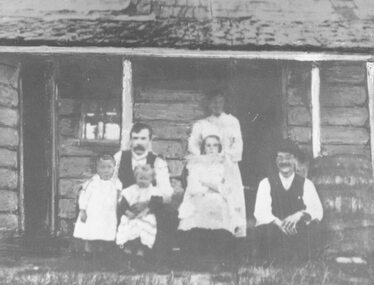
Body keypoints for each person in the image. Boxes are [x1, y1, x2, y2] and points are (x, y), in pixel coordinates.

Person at [114, 122, 176, 269]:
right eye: (135, 138)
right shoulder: (119, 157)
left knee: (169, 214)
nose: (139, 143)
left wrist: (147, 204)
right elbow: (112, 184)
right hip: (125, 203)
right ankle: (122, 258)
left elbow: (167, 192)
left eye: (143, 138)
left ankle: (158, 260)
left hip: (149, 204)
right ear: (130, 140)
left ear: (150, 140)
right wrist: (123, 204)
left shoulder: (157, 161)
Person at [188, 90, 246, 237]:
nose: (217, 105)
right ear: (209, 104)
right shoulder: (202, 124)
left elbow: (238, 144)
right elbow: (193, 144)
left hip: (228, 164)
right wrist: (202, 158)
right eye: (214, 102)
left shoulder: (233, 121)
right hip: (209, 164)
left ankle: (234, 230)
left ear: (224, 102)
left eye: (220, 102)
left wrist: (227, 157)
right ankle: (209, 230)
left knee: (231, 196)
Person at [253, 139, 323, 260]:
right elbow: (260, 212)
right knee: (265, 230)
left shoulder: (306, 184)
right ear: (276, 161)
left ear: (295, 160)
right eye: (280, 158)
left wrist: (299, 214)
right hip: (275, 232)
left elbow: (317, 211)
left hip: (296, 232)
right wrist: (279, 223)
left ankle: (301, 259)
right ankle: (272, 260)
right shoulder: (266, 183)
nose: (284, 161)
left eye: (288, 157)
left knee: (312, 227)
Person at [178, 135, 237, 270]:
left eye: (215, 145)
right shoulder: (195, 165)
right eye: (208, 145)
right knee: (196, 216)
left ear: (219, 148)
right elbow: (193, 186)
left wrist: (207, 183)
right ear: (203, 148)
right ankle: (198, 259)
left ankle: (216, 258)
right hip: (198, 197)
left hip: (219, 199)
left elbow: (227, 188)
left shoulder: (224, 165)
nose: (211, 148)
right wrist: (212, 186)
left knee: (220, 213)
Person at [73, 154, 122, 256]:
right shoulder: (93, 182)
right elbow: (84, 196)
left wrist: (119, 203)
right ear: (97, 169)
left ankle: (102, 253)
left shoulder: (116, 183)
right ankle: (88, 252)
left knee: (104, 232)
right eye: (102, 167)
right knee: (90, 232)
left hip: (108, 214)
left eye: (109, 167)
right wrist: (83, 210)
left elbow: (119, 196)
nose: (106, 170)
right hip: (93, 213)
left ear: (114, 168)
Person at [116, 165, 162, 268]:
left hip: (146, 216)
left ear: (151, 179)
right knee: (129, 226)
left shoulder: (153, 190)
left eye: (146, 179)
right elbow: (123, 205)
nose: (143, 181)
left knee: (144, 227)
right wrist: (128, 213)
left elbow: (156, 203)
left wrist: (146, 210)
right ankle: (127, 252)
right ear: (136, 178)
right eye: (140, 178)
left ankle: (140, 254)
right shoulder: (130, 190)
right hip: (131, 215)